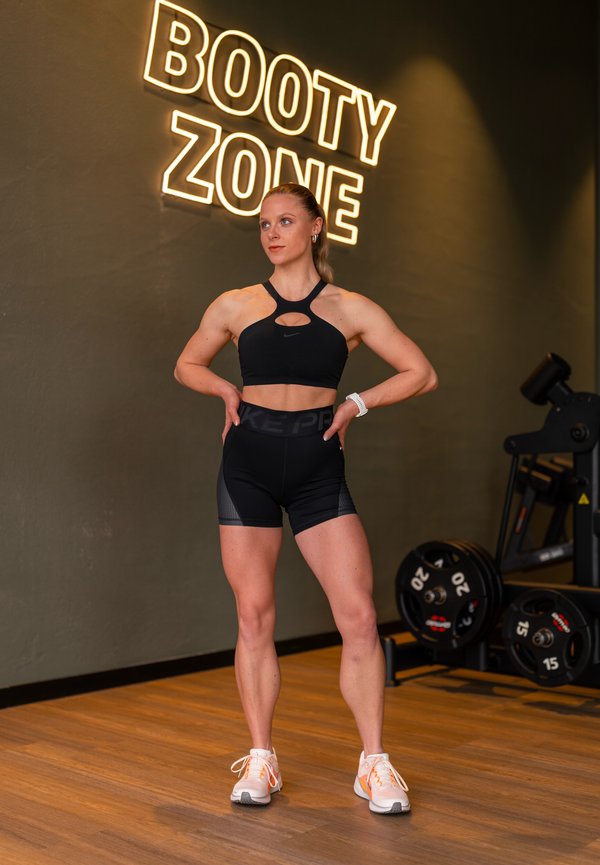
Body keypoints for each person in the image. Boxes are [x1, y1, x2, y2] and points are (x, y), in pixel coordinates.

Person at [174, 182, 438, 815]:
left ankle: (373, 763)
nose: (271, 233)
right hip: (249, 462)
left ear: (317, 228)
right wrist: (224, 391)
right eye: (264, 223)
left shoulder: (350, 309)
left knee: (356, 616)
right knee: (254, 615)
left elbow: (421, 372)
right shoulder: (235, 304)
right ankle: (261, 757)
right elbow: (186, 363)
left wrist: (357, 402)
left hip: (319, 465)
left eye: (286, 221)